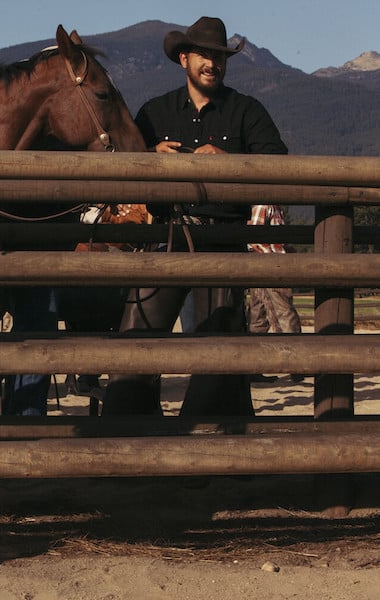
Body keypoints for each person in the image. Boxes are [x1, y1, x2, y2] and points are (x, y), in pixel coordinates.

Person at [102, 16, 288, 416]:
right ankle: (126, 432)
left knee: (216, 347)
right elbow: (120, 165)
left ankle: (198, 445)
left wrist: (230, 162)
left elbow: (280, 165)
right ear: (183, 58)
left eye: (220, 57)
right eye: (204, 55)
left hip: (222, 241)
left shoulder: (247, 111)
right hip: (167, 235)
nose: (212, 63)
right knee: (134, 338)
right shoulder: (154, 113)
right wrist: (150, 159)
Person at [247, 204, 304, 383]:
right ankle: (296, 364)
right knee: (285, 312)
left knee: (258, 314)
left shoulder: (276, 208)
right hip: (269, 265)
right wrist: (274, 258)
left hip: (268, 264)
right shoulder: (265, 205)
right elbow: (255, 238)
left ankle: (253, 366)